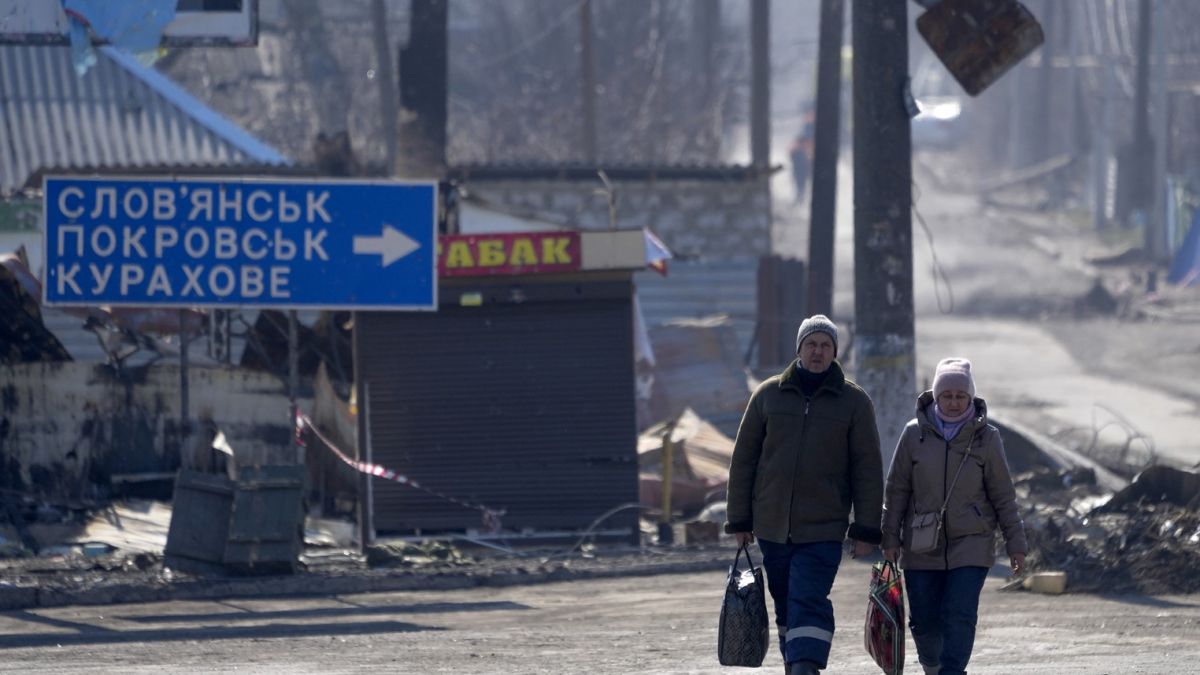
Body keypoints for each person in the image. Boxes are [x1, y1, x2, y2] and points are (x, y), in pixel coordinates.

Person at [725, 314, 883, 675]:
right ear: (799, 349)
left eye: (826, 345)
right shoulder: (767, 395)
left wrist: (865, 529)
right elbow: (744, 460)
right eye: (811, 344)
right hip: (772, 527)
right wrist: (739, 520)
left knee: (807, 599)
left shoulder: (853, 402)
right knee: (784, 605)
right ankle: (794, 662)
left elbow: (867, 469)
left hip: (824, 529)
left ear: (835, 352)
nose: (818, 351)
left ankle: (804, 667)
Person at [881, 358, 1028, 675]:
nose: (953, 401)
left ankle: (952, 671)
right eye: (946, 395)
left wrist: (1016, 544)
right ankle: (932, 666)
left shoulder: (987, 438)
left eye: (960, 395)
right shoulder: (913, 436)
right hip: (921, 544)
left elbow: (1003, 495)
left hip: (971, 543)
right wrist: (890, 537)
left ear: (971, 397)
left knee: (959, 613)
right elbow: (896, 492)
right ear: (935, 396)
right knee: (923, 619)